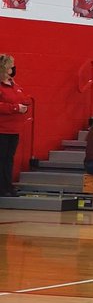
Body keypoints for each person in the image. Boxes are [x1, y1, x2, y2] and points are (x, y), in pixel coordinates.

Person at [0, 54, 32, 197]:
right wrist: (14, 108)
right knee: (2, 158)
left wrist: (25, 104)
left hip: (14, 129)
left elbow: (24, 98)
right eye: (11, 66)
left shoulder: (15, 85)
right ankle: (2, 187)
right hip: (2, 129)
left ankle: (8, 185)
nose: (13, 69)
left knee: (9, 159)